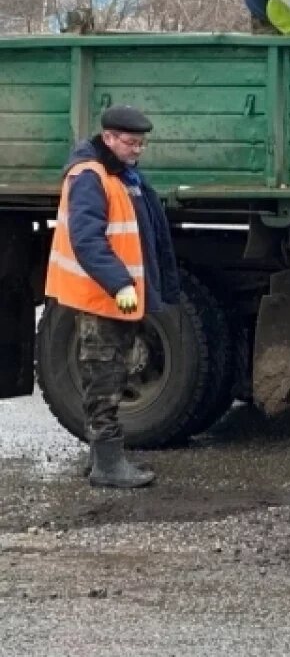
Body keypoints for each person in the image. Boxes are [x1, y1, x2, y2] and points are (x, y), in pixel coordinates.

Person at [45, 105, 181, 489]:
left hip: (113, 297)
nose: (137, 149)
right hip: (101, 297)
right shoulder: (90, 177)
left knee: (109, 373)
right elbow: (87, 239)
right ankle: (107, 464)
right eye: (130, 142)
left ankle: (100, 459)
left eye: (141, 143)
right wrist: (119, 282)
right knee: (104, 377)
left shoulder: (119, 174)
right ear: (108, 138)